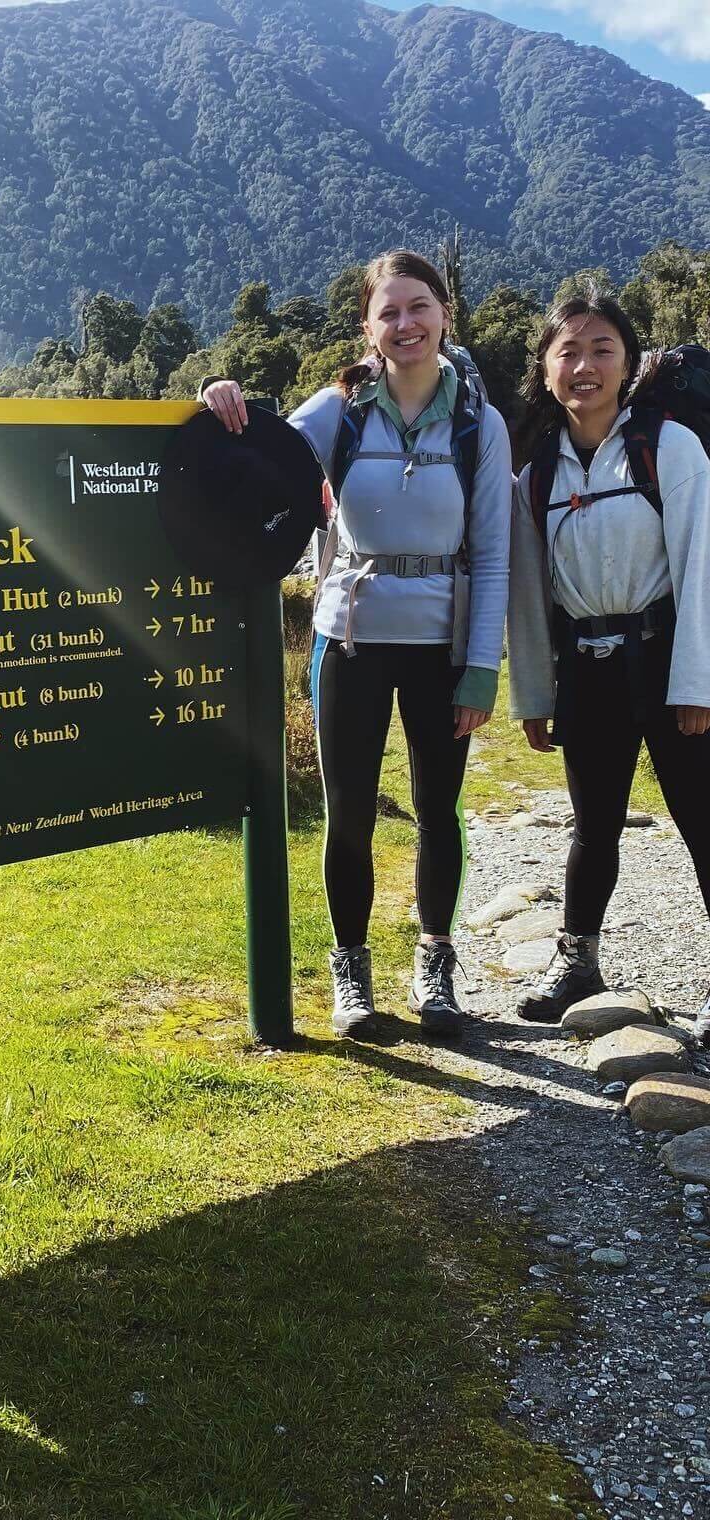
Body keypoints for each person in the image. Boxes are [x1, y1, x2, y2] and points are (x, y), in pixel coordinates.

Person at [203, 250, 511, 1038]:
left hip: (441, 647)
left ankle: (435, 969)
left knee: (439, 811)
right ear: (368, 328)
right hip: (351, 640)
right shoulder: (343, 407)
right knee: (349, 816)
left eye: (419, 307)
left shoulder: (480, 421)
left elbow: (496, 550)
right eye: (389, 313)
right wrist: (222, 398)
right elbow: (263, 446)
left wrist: (481, 670)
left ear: (445, 314)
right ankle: (352, 976)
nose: (405, 324)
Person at [507, 293, 710, 1037]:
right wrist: (533, 692)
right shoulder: (536, 477)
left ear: (628, 363)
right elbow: (529, 599)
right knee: (593, 827)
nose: (584, 365)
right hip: (588, 667)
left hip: (666, 660)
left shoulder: (671, 448)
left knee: (702, 819)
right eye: (568, 351)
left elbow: (701, 572)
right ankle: (577, 961)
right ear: (546, 367)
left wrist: (698, 683)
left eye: (602, 349)